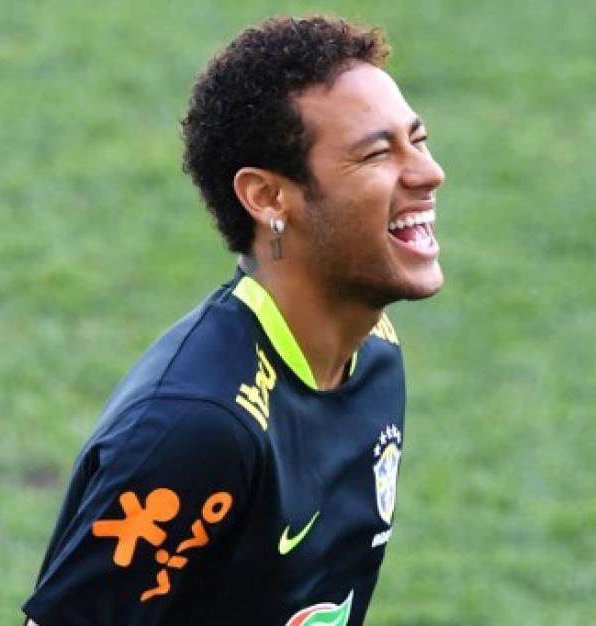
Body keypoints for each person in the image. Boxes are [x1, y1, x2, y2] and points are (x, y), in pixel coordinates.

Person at [23, 14, 445, 626]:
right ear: (269, 197)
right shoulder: (198, 429)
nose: (428, 172)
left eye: (418, 139)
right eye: (377, 153)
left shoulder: (372, 353)